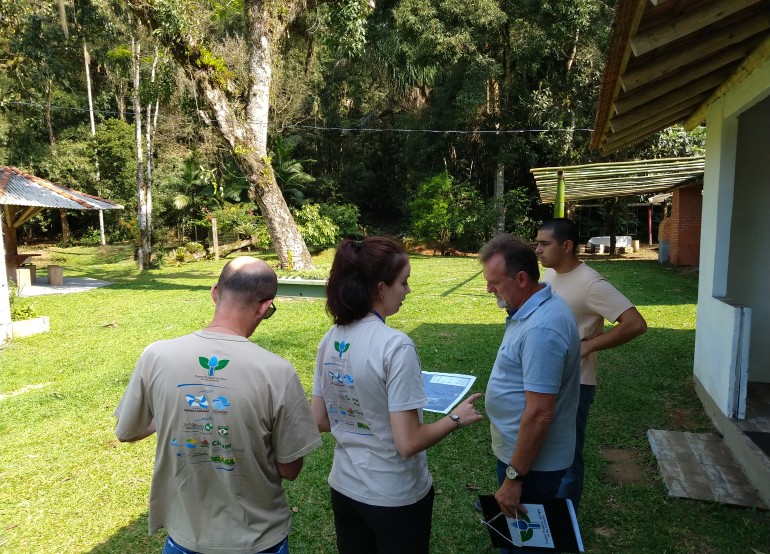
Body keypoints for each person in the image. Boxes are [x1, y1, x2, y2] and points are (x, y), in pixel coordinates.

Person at [114, 256, 322, 554]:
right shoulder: (278, 372)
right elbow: (290, 469)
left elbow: (126, 431)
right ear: (264, 307)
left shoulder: (156, 356)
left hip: (185, 538)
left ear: (215, 292)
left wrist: (176, 413)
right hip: (257, 540)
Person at [311, 237, 484, 554]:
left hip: (345, 489)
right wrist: (456, 418)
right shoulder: (395, 345)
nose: (408, 290)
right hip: (394, 497)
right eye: (403, 282)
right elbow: (409, 443)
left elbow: (320, 420)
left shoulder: (331, 339)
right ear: (380, 288)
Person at [536, 218, 647, 510]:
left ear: (567, 246)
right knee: (539, 445)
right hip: (545, 378)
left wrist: (588, 346)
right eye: (537, 243)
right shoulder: (549, 274)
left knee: (568, 455)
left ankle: (563, 518)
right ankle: (539, 506)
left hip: (576, 382)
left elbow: (635, 324)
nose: (538, 249)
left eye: (544, 243)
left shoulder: (591, 283)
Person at [480, 234, 580, 553]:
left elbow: (540, 413)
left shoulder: (541, 330)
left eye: (495, 282)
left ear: (522, 278)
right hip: (525, 458)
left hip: (531, 466)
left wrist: (513, 478)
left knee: (525, 546)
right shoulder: (534, 307)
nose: (488, 289)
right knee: (520, 541)